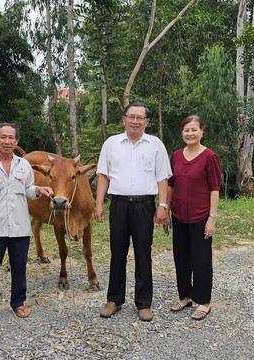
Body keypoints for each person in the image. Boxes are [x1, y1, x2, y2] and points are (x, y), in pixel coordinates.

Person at [95, 101, 172, 322]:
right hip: (118, 204)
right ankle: (114, 300)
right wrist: (99, 204)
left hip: (144, 205)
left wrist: (163, 206)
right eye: (131, 117)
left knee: (143, 253)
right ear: (124, 119)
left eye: (140, 117)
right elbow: (103, 176)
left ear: (147, 121)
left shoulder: (155, 145)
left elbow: (162, 178)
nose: (135, 121)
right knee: (117, 252)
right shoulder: (111, 144)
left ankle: (144, 303)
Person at [0, 123, 53, 322]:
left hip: (19, 226)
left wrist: (39, 190)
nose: (7, 141)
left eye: (11, 138)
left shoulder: (23, 165)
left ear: (16, 141)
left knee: (19, 266)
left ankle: (18, 303)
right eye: (3, 137)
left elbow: (28, 188)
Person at [166, 115, 221, 320]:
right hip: (179, 216)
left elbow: (214, 189)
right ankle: (185, 296)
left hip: (200, 217)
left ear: (201, 132)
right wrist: (166, 211)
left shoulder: (209, 157)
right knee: (181, 257)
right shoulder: (176, 156)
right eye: (186, 130)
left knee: (201, 259)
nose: (190, 133)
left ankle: (204, 301)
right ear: (182, 133)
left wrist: (212, 218)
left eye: (194, 130)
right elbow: (171, 185)